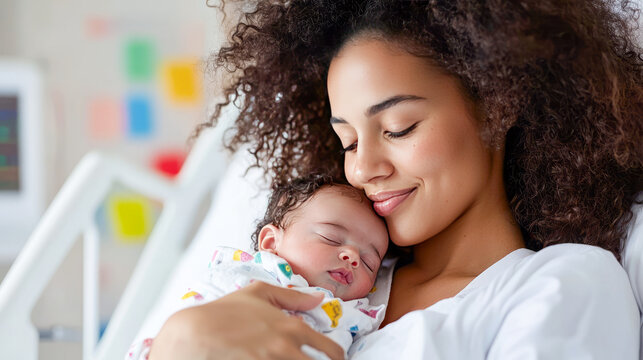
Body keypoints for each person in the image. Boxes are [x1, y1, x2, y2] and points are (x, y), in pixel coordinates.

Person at [150, 0, 643, 359]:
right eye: (347, 143)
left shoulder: (564, 283)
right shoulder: (315, 274)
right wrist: (174, 345)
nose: (363, 169)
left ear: (498, 103)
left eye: (398, 128)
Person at [127, 174, 389, 359]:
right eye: (331, 238)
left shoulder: (356, 318)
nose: (353, 257)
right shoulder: (248, 276)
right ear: (271, 242)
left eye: (369, 263)